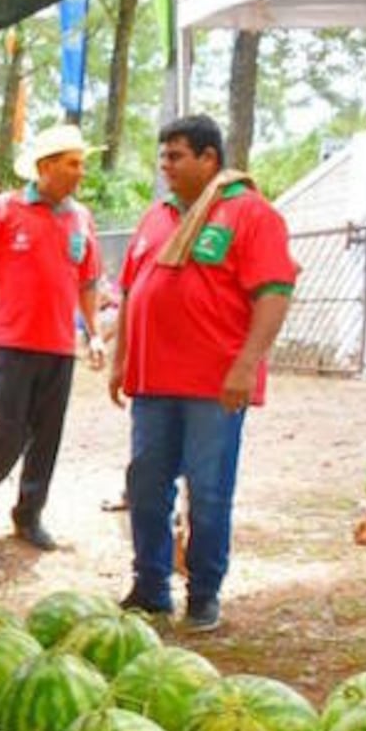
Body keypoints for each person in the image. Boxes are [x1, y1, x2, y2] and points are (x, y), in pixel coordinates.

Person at [110, 114, 296, 633]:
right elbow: (130, 294)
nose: (165, 166)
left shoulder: (249, 213)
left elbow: (274, 293)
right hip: (153, 383)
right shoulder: (155, 217)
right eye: (163, 156)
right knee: (145, 487)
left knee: (209, 492)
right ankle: (150, 588)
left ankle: (204, 594)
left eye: (176, 156)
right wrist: (122, 358)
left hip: (214, 386)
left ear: (209, 158)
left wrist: (246, 364)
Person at [0, 124, 106, 550]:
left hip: (60, 346)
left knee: (47, 435)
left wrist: (94, 334)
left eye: (82, 164)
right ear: (45, 166)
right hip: (11, 341)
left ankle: (29, 514)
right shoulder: (5, 208)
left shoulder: (82, 218)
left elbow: (88, 281)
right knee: (8, 429)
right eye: (72, 164)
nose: (80, 172)